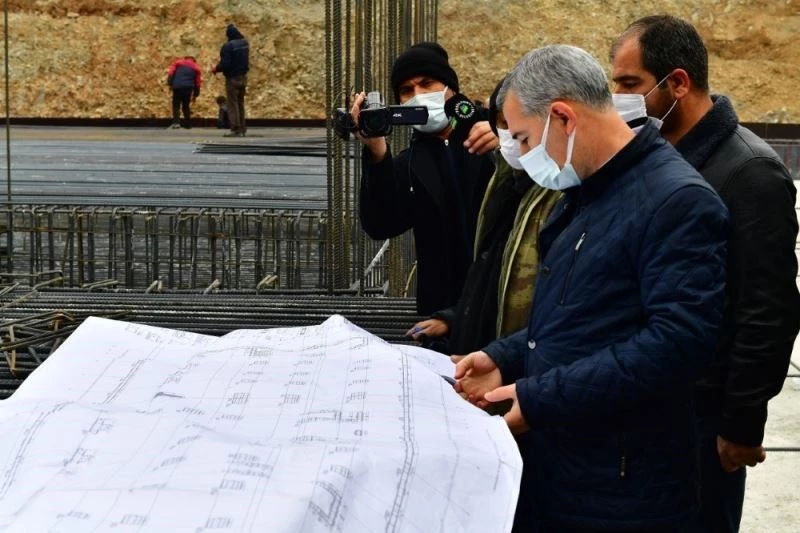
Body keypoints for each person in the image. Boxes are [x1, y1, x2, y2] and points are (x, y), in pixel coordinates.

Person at [454, 45, 729, 532]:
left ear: (563, 117)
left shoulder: (676, 201)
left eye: (523, 138)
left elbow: (677, 344)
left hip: (626, 489)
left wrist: (541, 398)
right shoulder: (584, 189)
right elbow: (581, 318)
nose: (522, 155)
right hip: (569, 469)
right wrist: (504, 357)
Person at [610, 15, 800, 533]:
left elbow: (768, 310)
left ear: (677, 83)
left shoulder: (750, 172)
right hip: (652, 404)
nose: (618, 99)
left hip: (704, 418)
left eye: (629, 84)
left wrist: (741, 423)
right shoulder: (653, 158)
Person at [407, 78, 561, 354]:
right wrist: (456, 319)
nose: (510, 139)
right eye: (501, 126)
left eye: (516, 130)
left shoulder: (560, 192)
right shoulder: (505, 181)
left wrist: (501, 359)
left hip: (519, 365)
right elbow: (491, 274)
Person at [353, 42, 497, 315]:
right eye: (407, 90)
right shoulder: (409, 163)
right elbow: (380, 224)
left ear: (450, 88)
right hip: (441, 312)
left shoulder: (492, 135)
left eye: (427, 83)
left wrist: (508, 140)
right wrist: (377, 152)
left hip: (500, 304)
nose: (418, 95)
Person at [212, 24, 249, 137]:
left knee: (232, 104)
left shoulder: (228, 46)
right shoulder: (245, 44)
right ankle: (242, 129)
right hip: (243, 77)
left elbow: (225, 64)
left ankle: (236, 130)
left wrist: (216, 68)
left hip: (232, 78)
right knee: (240, 103)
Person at [166, 56, 202, 129]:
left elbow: (171, 73)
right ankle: (188, 124)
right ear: (194, 60)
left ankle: (176, 123)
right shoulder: (196, 67)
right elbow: (197, 82)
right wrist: (196, 94)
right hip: (188, 88)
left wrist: (170, 83)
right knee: (186, 106)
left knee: (176, 105)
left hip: (177, 87)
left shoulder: (177, 63)